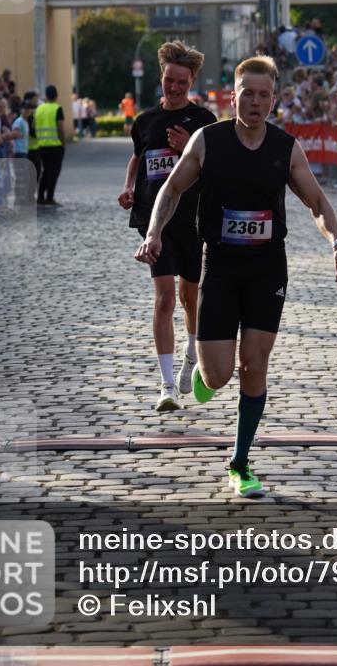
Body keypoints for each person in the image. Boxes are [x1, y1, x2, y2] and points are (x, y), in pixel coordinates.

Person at [135, 55, 337, 497]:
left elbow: (317, 203)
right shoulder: (208, 140)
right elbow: (172, 188)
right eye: (247, 94)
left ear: (273, 100)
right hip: (219, 267)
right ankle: (204, 372)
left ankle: (240, 463)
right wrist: (154, 232)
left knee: (254, 366)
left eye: (264, 95)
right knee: (219, 376)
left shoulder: (285, 148)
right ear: (233, 97)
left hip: (266, 269)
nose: (255, 103)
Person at [119, 40, 216, 413]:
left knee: (191, 298)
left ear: (191, 82)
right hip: (155, 221)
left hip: (192, 220)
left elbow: (215, 168)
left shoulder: (203, 120)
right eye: (169, 80)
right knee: (164, 298)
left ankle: (191, 356)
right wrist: (129, 187)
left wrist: (186, 149)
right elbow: (138, 157)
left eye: (182, 82)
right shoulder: (145, 121)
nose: (174, 87)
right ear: (161, 76)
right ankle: (166, 385)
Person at [34, 85, 66, 206]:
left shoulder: (39, 109)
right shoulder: (57, 108)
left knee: (45, 171)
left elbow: (33, 125)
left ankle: (40, 196)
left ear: (46, 96)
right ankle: (50, 198)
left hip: (42, 145)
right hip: (55, 145)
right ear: (56, 96)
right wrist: (63, 142)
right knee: (54, 172)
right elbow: (60, 127)